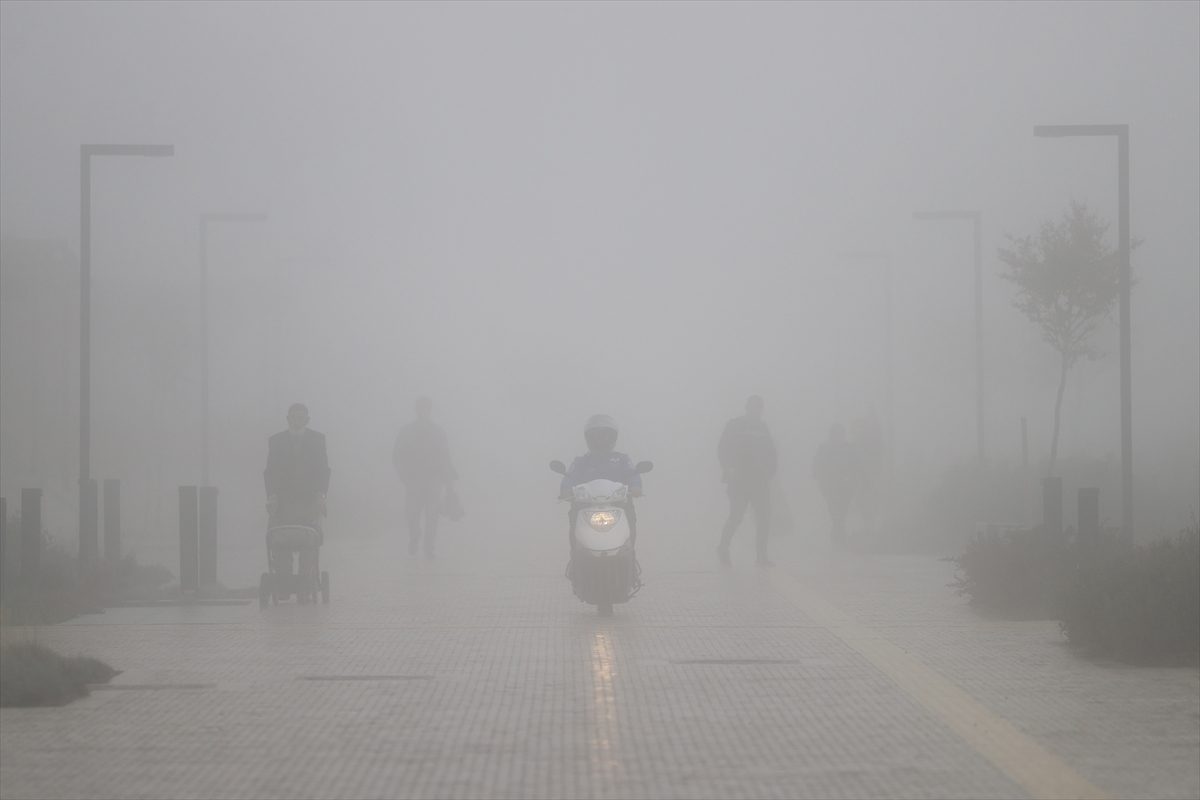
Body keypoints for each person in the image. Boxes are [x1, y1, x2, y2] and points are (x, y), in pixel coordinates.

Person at [559, 414, 642, 557]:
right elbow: (569, 478)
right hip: (585, 506)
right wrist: (565, 490)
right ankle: (576, 559)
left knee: (631, 517)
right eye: (596, 436)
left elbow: (633, 474)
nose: (601, 440)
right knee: (573, 518)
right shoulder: (581, 462)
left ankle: (630, 556)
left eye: (605, 436)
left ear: (612, 438)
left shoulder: (622, 459)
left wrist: (636, 487)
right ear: (589, 438)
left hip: (619, 505)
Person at [264, 403, 330, 576]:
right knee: (281, 539)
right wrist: (271, 495)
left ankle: (306, 581)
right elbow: (270, 471)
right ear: (288, 419)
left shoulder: (317, 439)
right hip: (283, 501)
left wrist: (321, 494)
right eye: (293, 417)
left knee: (309, 540)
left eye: (301, 417)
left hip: (309, 499)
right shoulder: (276, 441)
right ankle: (283, 580)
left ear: (307, 420)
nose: (297, 421)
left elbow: (323, 469)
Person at [392, 396, 457, 558]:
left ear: (430, 410)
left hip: (434, 480)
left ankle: (429, 546)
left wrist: (449, 485)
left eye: (426, 408)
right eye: (421, 408)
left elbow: (445, 458)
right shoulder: (406, 431)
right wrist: (404, 476)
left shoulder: (438, 432)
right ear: (417, 410)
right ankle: (415, 536)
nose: (424, 411)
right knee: (412, 514)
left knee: (432, 515)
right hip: (413, 480)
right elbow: (397, 455)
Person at [717, 395, 777, 567]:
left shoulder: (762, 428)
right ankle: (723, 547)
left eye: (759, 408)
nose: (756, 410)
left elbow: (771, 453)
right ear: (747, 407)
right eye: (753, 407)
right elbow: (722, 448)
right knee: (736, 516)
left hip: (760, 481)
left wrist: (770, 471)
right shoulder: (734, 425)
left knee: (764, 518)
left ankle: (761, 556)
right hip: (738, 480)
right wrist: (728, 467)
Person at [813, 423, 860, 551]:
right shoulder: (824, 448)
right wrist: (821, 480)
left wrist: (853, 480)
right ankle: (839, 534)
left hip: (846, 487)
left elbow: (856, 466)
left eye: (841, 434)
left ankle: (838, 533)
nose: (839, 437)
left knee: (842, 511)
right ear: (832, 435)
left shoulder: (849, 448)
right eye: (836, 434)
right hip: (830, 487)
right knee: (834, 510)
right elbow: (817, 466)